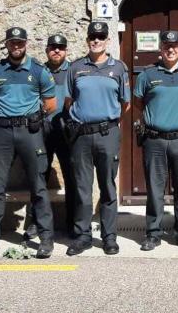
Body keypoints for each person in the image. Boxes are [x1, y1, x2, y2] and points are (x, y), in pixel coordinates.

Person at [0, 27, 56, 260]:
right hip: (1, 133)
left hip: (29, 132)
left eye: (20, 42)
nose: (16, 46)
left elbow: (51, 104)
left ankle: (46, 238)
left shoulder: (38, 71)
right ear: (7, 44)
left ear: (26, 44)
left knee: (38, 187)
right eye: (12, 42)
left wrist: (36, 117)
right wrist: (1, 115)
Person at [133, 29, 178, 251]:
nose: (170, 49)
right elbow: (138, 103)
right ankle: (153, 233)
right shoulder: (147, 75)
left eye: (174, 46)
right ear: (161, 48)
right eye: (166, 46)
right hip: (154, 140)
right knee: (155, 189)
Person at [64, 22, 130, 256]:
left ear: (107, 41)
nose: (96, 41)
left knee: (108, 186)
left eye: (101, 37)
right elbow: (68, 100)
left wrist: (107, 121)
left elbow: (125, 103)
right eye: (92, 37)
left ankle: (109, 237)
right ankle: (82, 236)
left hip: (107, 133)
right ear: (87, 40)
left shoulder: (119, 68)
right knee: (82, 188)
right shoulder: (75, 67)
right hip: (81, 135)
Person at [23, 33, 74, 241]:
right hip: (42, 131)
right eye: (53, 47)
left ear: (66, 50)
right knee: (38, 177)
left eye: (60, 47)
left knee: (72, 178)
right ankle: (36, 222)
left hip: (66, 131)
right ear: (47, 50)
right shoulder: (39, 71)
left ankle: (73, 222)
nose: (56, 50)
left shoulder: (74, 71)